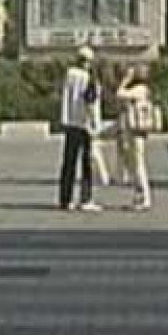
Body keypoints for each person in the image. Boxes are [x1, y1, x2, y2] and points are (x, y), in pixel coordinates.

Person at [58, 47, 102, 212]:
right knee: (86, 163)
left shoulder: (70, 75)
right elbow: (90, 101)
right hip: (85, 125)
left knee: (68, 162)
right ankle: (86, 199)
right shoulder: (89, 77)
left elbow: (67, 97)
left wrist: (65, 118)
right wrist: (95, 124)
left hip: (71, 123)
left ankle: (65, 199)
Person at [115, 66, 156, 211]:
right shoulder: (144, 90)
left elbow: (119, 94)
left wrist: (125, 81)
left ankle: (144, 197)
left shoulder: (140, 89)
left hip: (136, 131)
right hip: (136, 130)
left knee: (138, 164)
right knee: (135, 163)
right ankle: (139, 196)